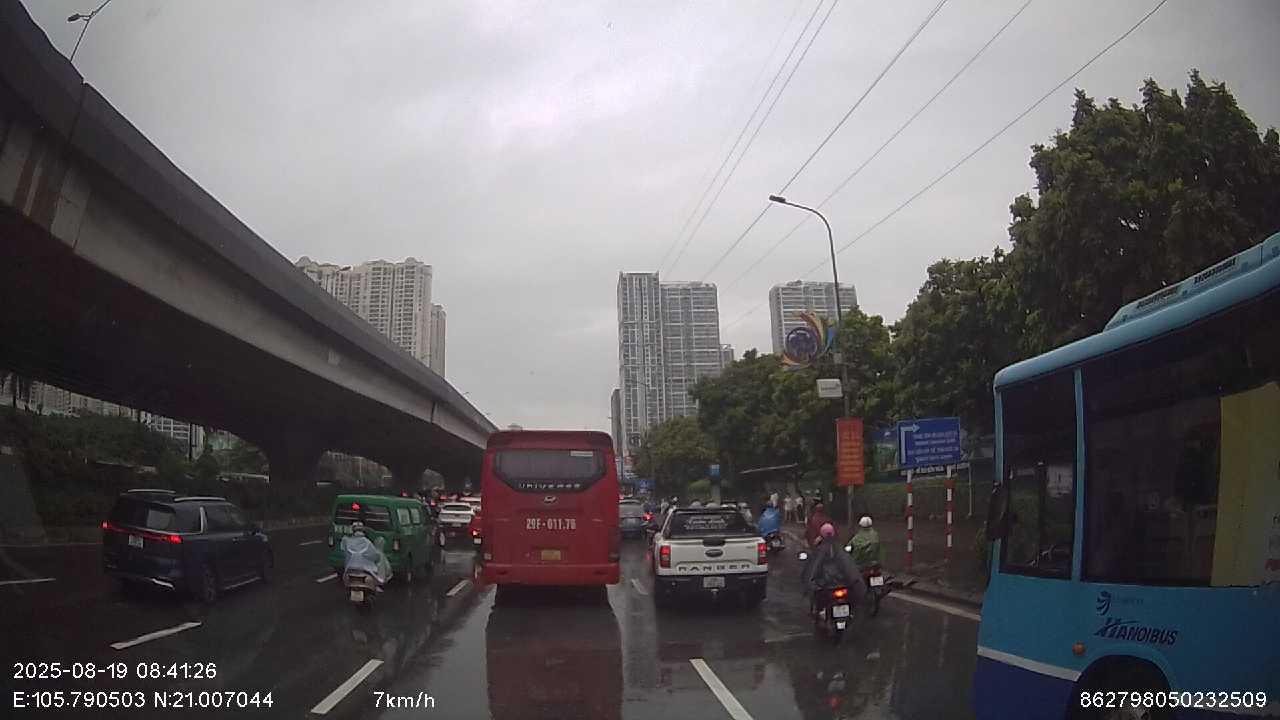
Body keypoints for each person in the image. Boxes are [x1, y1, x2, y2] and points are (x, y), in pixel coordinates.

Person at [802, 523, 866, 606]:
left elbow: (813, 567)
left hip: (826, 584)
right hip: (841, 582)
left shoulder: (820, 549)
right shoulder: (838, 547)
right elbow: (849, 566)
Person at [340, 521, 391, 589]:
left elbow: (344, 553)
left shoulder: (347, 541)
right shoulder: (367, 543)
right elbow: (375, 556)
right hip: (365, 570)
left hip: (349, 569)